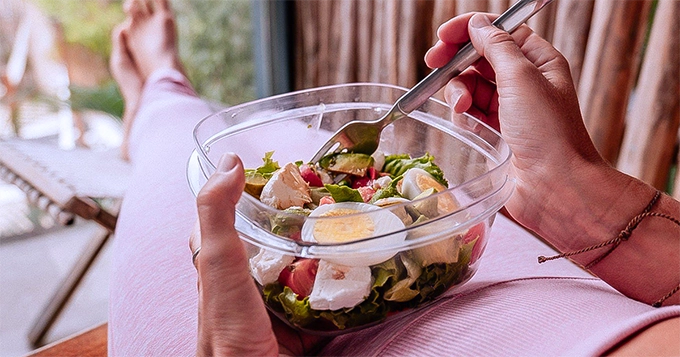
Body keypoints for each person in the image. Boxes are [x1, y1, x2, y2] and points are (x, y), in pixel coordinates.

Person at [109, 0, 680, 355]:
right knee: (279, 153)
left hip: (335, 334)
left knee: (173, 162)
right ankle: (161, 94)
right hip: (564, 298)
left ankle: (159, 95)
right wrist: (573, 190)